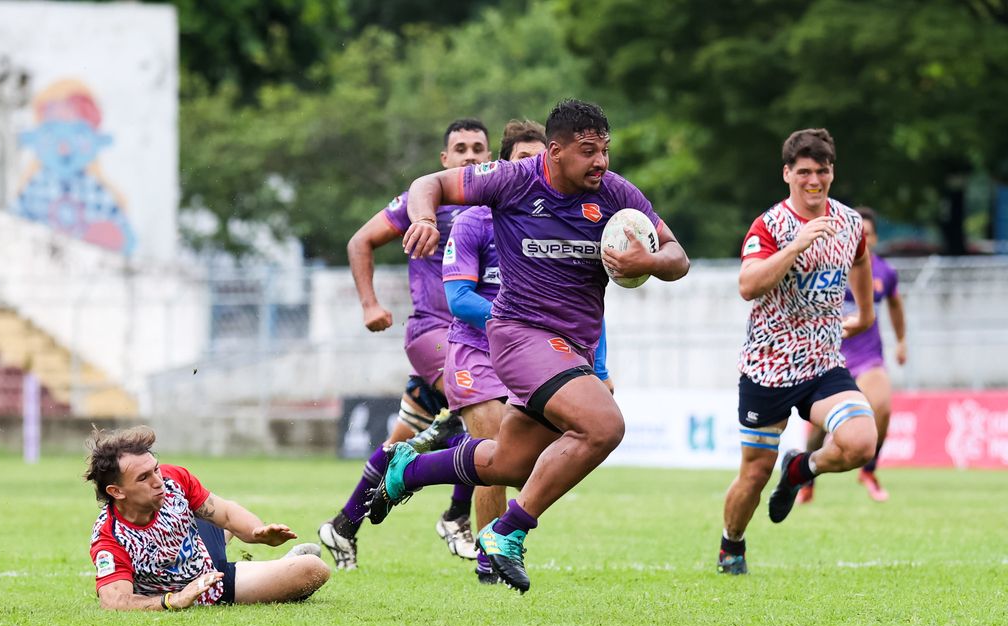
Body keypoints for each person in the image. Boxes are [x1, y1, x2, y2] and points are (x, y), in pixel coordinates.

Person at [367, 99, 690, 592]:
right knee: (604, 424)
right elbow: (428, 184)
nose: (600, 161)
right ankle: (508, 532)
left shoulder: (616, 194)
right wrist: (426, 218)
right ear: (555, 151)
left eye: (604, 149)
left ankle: (407, 469)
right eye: (588, 151)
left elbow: (678, 256)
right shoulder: (513, 179)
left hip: (572, 347)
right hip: (519, 334)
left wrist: (650, 261)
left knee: (509, 462)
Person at [317, 119, 492, 570]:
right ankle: (456, 515)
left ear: (490, 157)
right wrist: (369, 303)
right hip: (434, 335)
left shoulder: (498, 205)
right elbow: (361, 240)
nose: (470, 156)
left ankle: (343, 525)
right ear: (445, 159)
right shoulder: (426, 201)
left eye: (478, 148)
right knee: (486, 413)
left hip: (474, 340)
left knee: (403, 442)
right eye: (460, 148)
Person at [718, 128, 878, 576]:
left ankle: (800, 470)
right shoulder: (770, 226)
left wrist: (864, 313)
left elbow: (860, 258)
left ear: (832, 173)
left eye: (821, 171)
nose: (813, 180)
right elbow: (749, 285)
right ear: (787, 174)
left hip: (823, 363)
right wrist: (797, 244)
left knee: (860, 442)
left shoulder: (848, 222)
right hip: (767, 368)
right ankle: (732, 545)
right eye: (803, 171)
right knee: (753, 474)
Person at [86, 425, 330, 610]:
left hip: (209, 571)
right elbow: (114, 601)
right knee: (311, 569)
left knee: (315, 569)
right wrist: (173, 600)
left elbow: (225, 512)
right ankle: (274, 566)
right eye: (143, 478)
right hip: (195, 585)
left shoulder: (174, 479)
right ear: (116, 492)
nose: (158, 481)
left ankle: (259, 559)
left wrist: (258, 533)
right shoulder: (110, 535)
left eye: (156, 469)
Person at [798, 206, 907, 503]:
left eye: (868, 234)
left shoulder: (885, 271)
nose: (863, 238)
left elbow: (895, 305)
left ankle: (869, 470)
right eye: (859, 233)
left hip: (869, 357)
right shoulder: (824, 265)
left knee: (882, 408)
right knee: (820, 429)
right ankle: (805, 478)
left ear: (873, 238)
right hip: (829, 357)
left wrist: (901, 341)